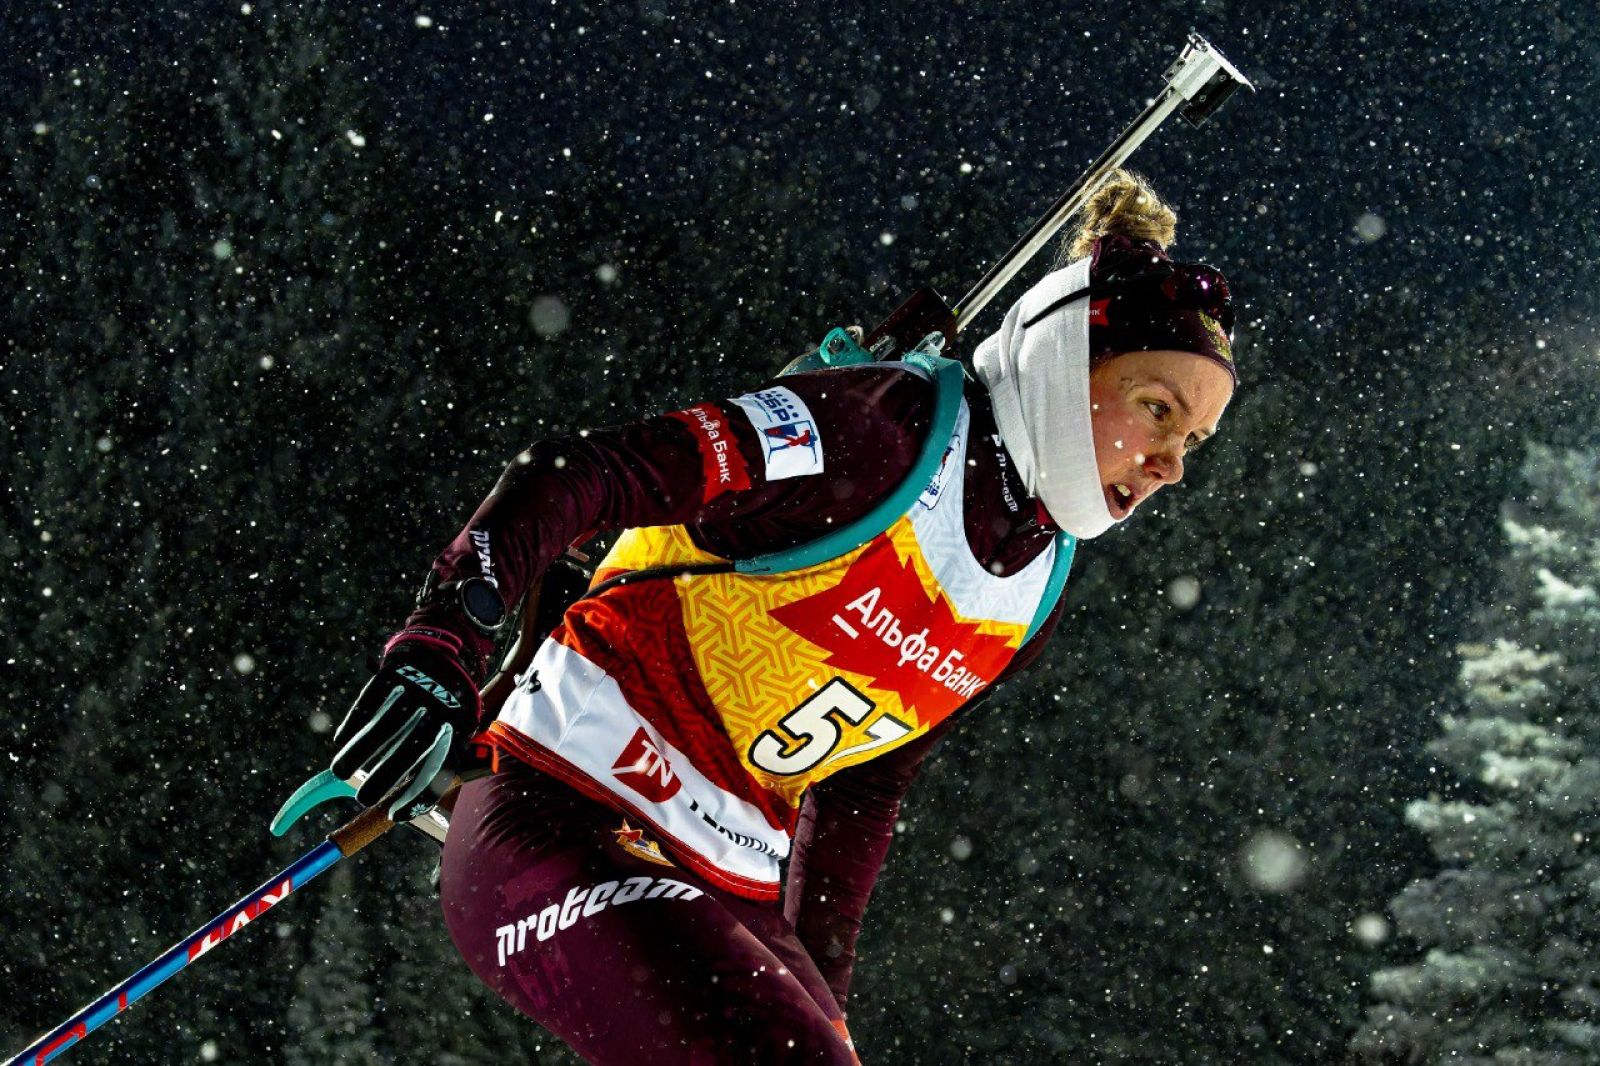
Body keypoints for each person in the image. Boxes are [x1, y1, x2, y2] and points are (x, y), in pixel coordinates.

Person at [327, 170, 1237, 1063]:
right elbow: (582, 475)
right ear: (1063, 358)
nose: (1170, 464)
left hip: (727, 886)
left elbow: (862, 792)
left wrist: (820, 1000)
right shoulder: (878, 434)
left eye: (1192, 441)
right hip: (557, 814)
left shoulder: (1033, 588)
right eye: (1156, 409)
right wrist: (439, 646)